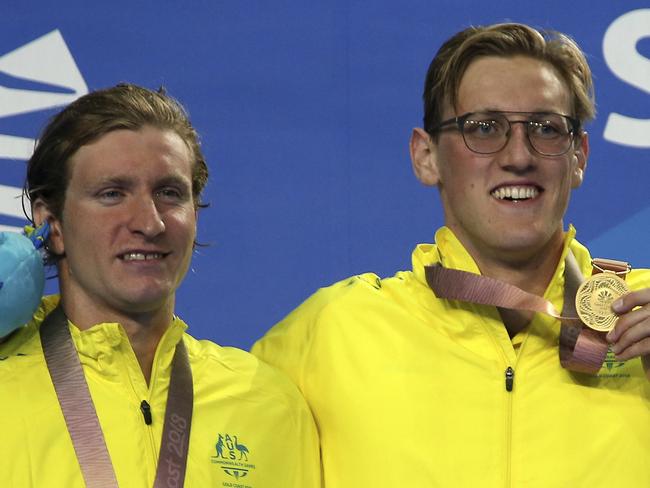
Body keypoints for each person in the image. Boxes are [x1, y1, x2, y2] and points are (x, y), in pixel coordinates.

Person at [252, 23, 650, 487]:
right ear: (426, 156)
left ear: (578, 157)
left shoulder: (638, 318)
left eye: (546, 128)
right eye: (483, 128)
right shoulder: (330, 335)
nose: (518, 156)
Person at [0, 84, 320, 487]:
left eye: (169, 193)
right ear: (53, 224)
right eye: (112, 194)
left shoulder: (270, 406)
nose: (149, 223)